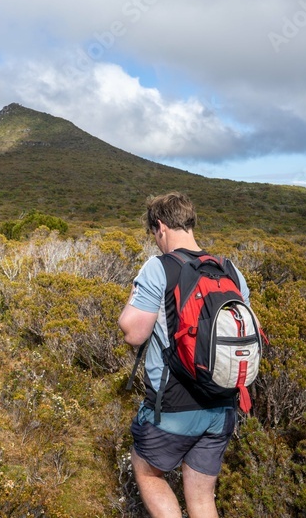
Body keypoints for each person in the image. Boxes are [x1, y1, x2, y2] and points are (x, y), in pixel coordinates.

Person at [118, 191, 250, 518]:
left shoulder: (158, 267)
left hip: (173, 406)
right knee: (203, 496)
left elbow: (133, 332)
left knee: (147, 471)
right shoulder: (230, 270)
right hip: (223, 404)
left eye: (154, 233)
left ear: (160, 227)